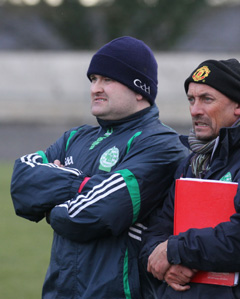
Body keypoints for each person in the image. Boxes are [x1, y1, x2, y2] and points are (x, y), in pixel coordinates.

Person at [10, 36, 187, 298]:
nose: (95, 88)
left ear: (140, 90)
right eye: (93, 79)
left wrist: (57, 196)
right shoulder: (75, 137)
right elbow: (22, 184)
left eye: (108, 80)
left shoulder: (161, 144)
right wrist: (85, 184)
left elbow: (95, 214)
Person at [140, 58, 240, 298]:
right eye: (191, 99)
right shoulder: (194, 159)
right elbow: (158, 227)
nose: (195, 110)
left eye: (207, 99)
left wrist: (175, 250)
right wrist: (161, 259)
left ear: (239, 105)